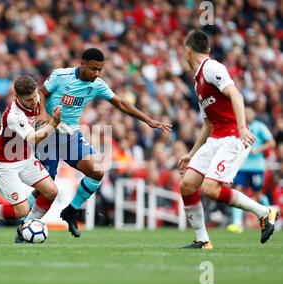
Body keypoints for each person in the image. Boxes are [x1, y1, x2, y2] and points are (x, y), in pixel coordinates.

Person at [30, 47, 172, 238]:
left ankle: (71, 211)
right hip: (48, 134)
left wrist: (148, 120)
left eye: (99, 70)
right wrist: (43, 113)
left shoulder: (97, 84)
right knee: (45, 188)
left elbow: (121, 103)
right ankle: (23, 223)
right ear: (82, 64)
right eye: (93, 69)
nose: (96, 73)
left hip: (71, 134)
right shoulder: (61, 75)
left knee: (97, 171)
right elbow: (41, 92)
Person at [177, 29, 279, 249]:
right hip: (215, 138)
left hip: (233, 137)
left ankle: (264, 212)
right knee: (187, 185)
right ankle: (203, 240)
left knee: (210, 189)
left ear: (188, 50)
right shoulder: (198, 83)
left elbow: (236, 94)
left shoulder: (212, 67)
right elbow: (207, 124)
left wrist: (242, 128)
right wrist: (191, 154)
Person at [0, 75, 69, 244]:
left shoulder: (36, 99)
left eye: (35, 96)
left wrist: (52, 121)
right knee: (21, 210)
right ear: (17, 97)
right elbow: (34, 138)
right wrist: (54, 124)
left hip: (25, 158)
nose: (34, 102)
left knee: (51, 191)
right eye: (29, 100)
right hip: (4, 164)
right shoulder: (14, 115)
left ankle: (24, 229)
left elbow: (43, 106)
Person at [227, 105, 276, 233]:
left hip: (256, 167)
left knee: (257, 194)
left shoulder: (259, 127)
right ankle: (237, 223)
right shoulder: (239, 127)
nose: (248, 114)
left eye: (250, 111)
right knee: (237, 190)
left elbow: (272, 143)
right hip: (241, 166)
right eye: (245, 112)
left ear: (254, 113)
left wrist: (257, 150)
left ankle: (270, 216)